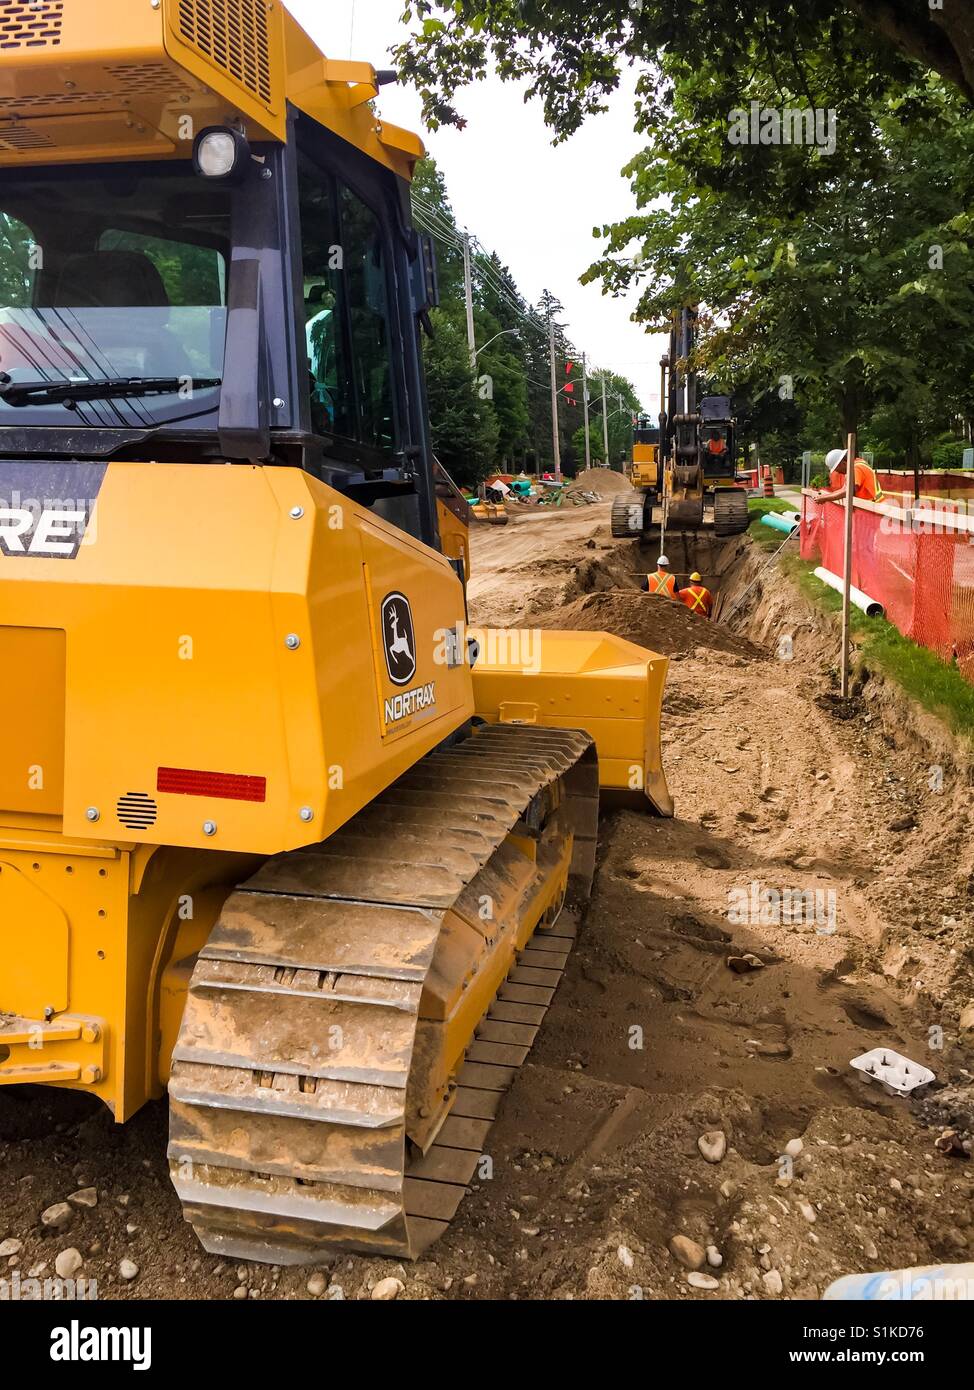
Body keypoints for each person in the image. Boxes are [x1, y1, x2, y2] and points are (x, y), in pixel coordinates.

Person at [816, 448, 884, 503]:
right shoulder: (854, 465)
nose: (838, 472)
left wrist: (825, 498)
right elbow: (844, 489)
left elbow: (849, 491)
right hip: (870, 507)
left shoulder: (856, 468)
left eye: (837, 469)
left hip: (873, 508)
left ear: (843, 463)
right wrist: (825, 496)